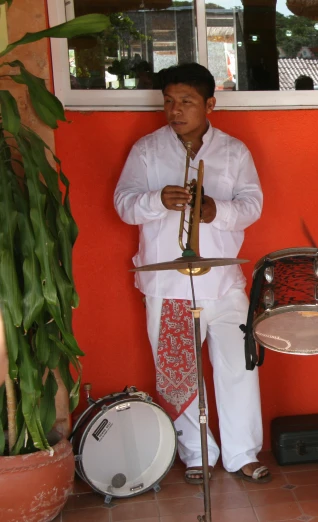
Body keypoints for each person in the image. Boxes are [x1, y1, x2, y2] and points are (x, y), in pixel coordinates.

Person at [114, 62, 270, 485]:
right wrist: (155, 200)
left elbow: (252, 206)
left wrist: (216, 211)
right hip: (168, 284)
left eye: (186, 102)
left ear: (210, 104)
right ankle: (197, 452)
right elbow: (123, 204)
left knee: (239, 368)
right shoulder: (147, 150)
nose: (175, 110)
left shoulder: (234, 152)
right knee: (178, 375)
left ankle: (242, 454)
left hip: (223, 283)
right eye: (168, 101)